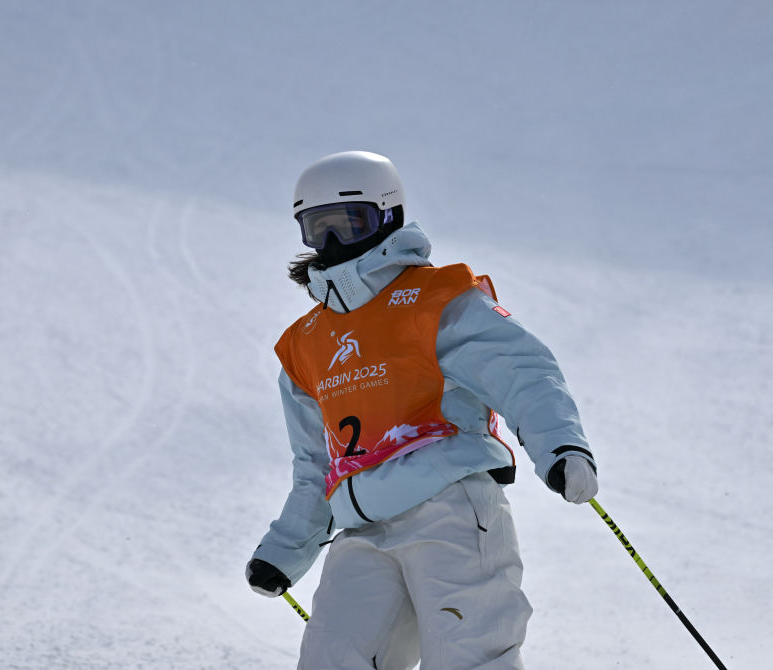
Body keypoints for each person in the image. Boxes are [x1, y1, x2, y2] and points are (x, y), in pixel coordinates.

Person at [246, 151, 598, 670]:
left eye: (351, 223)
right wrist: (286, 549)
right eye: (319, 229)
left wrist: (561, 446)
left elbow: (522, 371)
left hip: (449, 508)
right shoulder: (305, 345)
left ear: (388, 215)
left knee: (468, 656)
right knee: (332, 658)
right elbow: (316, 467)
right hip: (362, 531)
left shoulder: (435, 300)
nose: (334, 243)